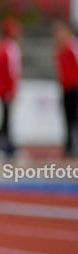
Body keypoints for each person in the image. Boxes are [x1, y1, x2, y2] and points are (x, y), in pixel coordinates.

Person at [0, 17, 23, 158]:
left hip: (3, 89)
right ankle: (3, 145)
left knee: (5, 118)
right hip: (6, 90)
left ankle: (1, 145)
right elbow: (11, 72)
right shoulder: (10, 48)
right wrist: (12, 90)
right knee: (6, 118)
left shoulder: (1, 47)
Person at [54, 21, 78, 157]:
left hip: (75, 87)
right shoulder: (60, 48)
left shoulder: (73, 46)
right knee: (68, 117)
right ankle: (69, 145)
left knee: (74, 117)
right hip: (66, 87)